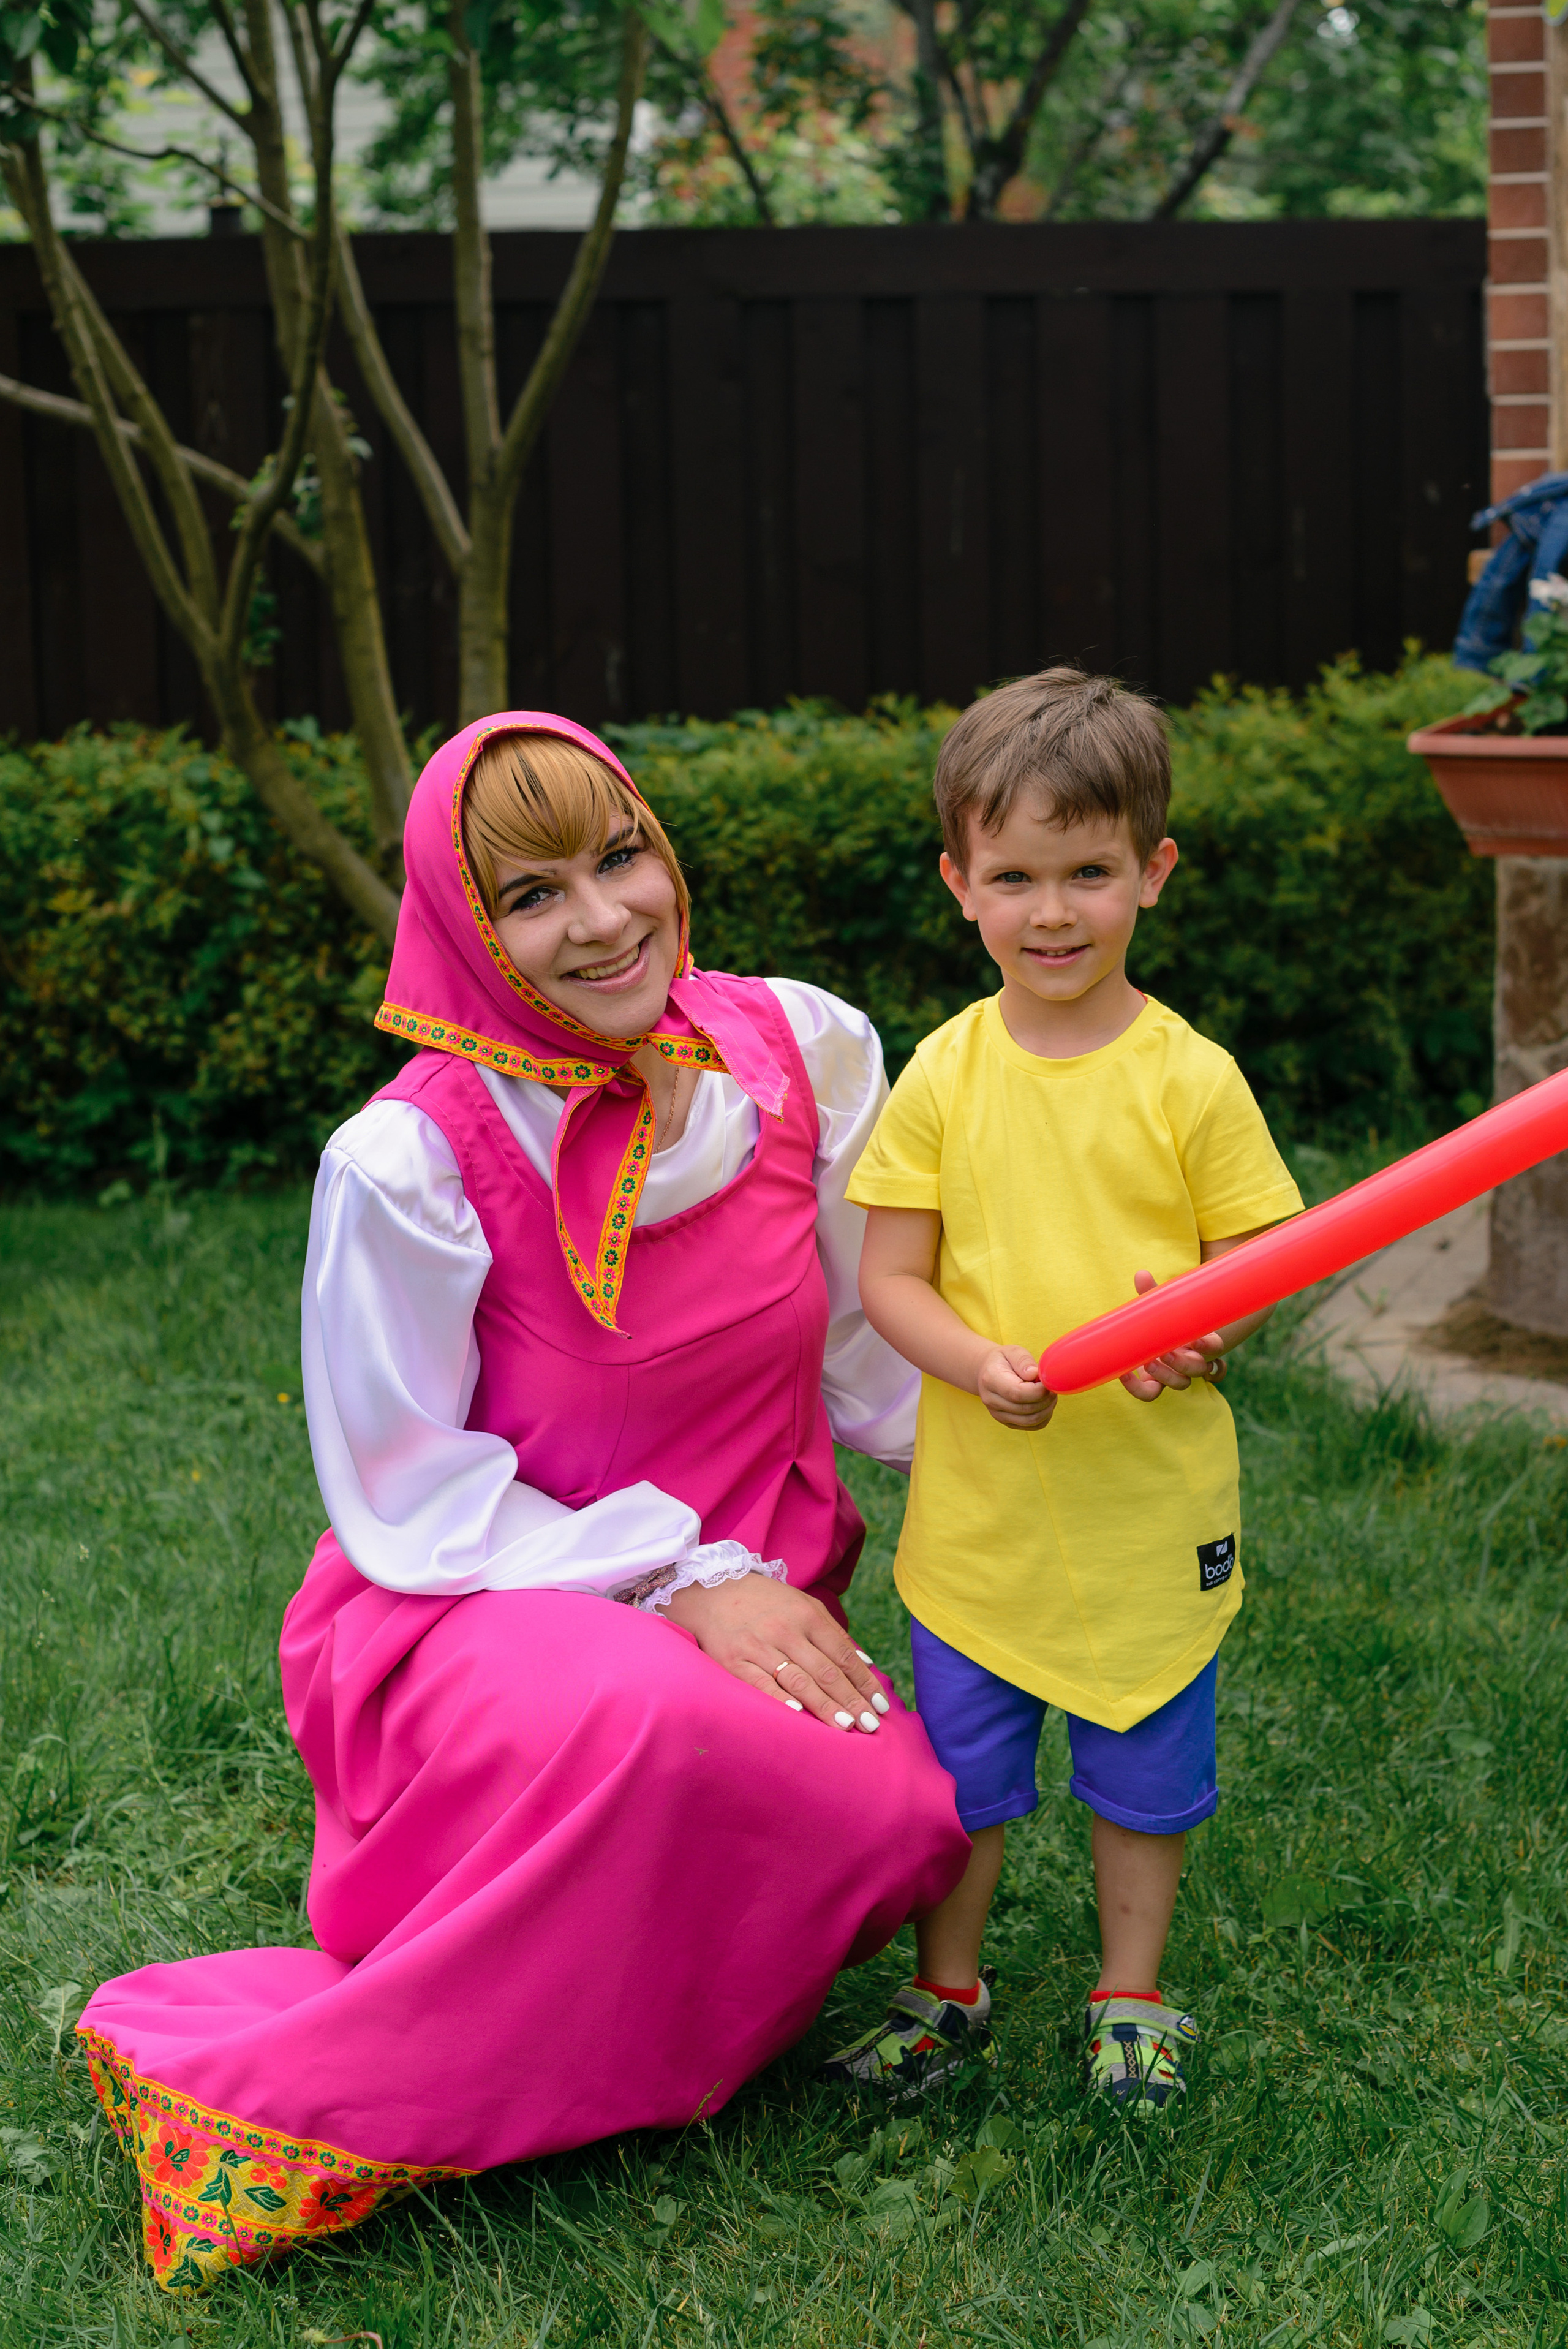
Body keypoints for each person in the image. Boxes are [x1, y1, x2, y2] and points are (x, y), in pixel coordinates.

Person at [77, 713, 969, 2293]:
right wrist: (679, 1575)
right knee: (649, 1722)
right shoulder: (409, 1157)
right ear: (464, 929)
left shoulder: (802, 1049)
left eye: (621, 858)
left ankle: (615, 2008)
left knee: (900, 1817)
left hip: (757, 1594)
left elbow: (870, 1358)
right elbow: (408, 1489)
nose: (606, 919)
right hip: (478, 1604)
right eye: (533, 896)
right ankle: (294, 2101)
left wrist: (1050, 1380)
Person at [823, 669, 1302, 2109]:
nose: (1050, 913)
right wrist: (974, 1363)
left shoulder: (1188, 1079)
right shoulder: (943, 1074)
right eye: (1014, 877)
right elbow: (888, 1279)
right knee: (963, 1780)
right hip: (983, 1521)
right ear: (957, 884)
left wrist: (1203, 1328)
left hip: (1143, 1513)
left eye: (1088, 873)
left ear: (1151, 872)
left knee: (1142, 1770)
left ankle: (1129, 1995)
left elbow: (1259, 1257)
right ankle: (946, 1987)